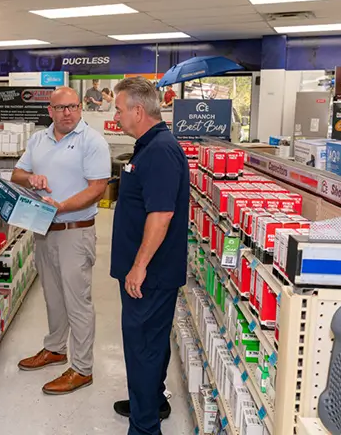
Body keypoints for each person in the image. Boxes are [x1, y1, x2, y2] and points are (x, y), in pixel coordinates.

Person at [11, 86, 111, 395]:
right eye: (60, 108)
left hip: (74, 231)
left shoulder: (91, 141)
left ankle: (82, 368)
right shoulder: (39, 140)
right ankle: (55, 348)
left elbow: (98, 187)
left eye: (73, 106)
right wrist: (32, 179)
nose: (67, 112)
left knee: (77, 301)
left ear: (81, 109)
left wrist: (63, 206)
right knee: (53, 296)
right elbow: (17, 174)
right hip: (44, 230)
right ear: (50, 111)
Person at [110, 76, 189, 435]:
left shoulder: (159, 151)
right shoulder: (150, 145)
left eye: (118, 108)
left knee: (141, 347)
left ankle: (144, 427)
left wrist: (138, 266)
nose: (115, 116)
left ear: (137, 110)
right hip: (151, 272)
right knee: (152, 343)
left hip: (150, 275)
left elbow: (161, 216)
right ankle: (152, 401)